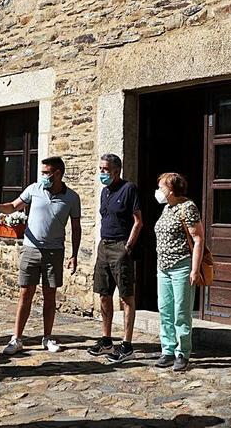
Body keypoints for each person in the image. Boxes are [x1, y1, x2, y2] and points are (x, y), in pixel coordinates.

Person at [0, 156, 82, 355]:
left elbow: (76, 227)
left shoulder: (72, 198)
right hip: (30, 250)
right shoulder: (34, 189)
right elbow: (14, 207)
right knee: (25, 294)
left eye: (46, 173)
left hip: (54, 252)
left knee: (50, 296)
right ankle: (17, 338)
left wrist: (74, 255)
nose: (42, 176)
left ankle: (47, 337)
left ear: (57, 174)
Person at [87, 153, 143, 363]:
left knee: (126, 296)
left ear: (116, 170)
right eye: (100, 169)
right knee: (103, 294)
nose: (102, 173)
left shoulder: (129, 189)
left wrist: (128, 246)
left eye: (106, 170)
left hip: (121, 246)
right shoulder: (104, 191)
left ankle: (127, 345)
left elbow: (138, 221)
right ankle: (106, 339)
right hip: (104, 245)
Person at [152, 172, 205, 372]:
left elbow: (198, 239)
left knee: (181, 312)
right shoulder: (167, 208)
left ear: (172, 190)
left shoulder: (187, 207)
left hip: (182, 266)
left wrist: (194, 269)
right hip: (163, 268)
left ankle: (183, 352)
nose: (158, 191)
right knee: (165, 310)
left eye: (161, 187)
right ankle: (167, 349)